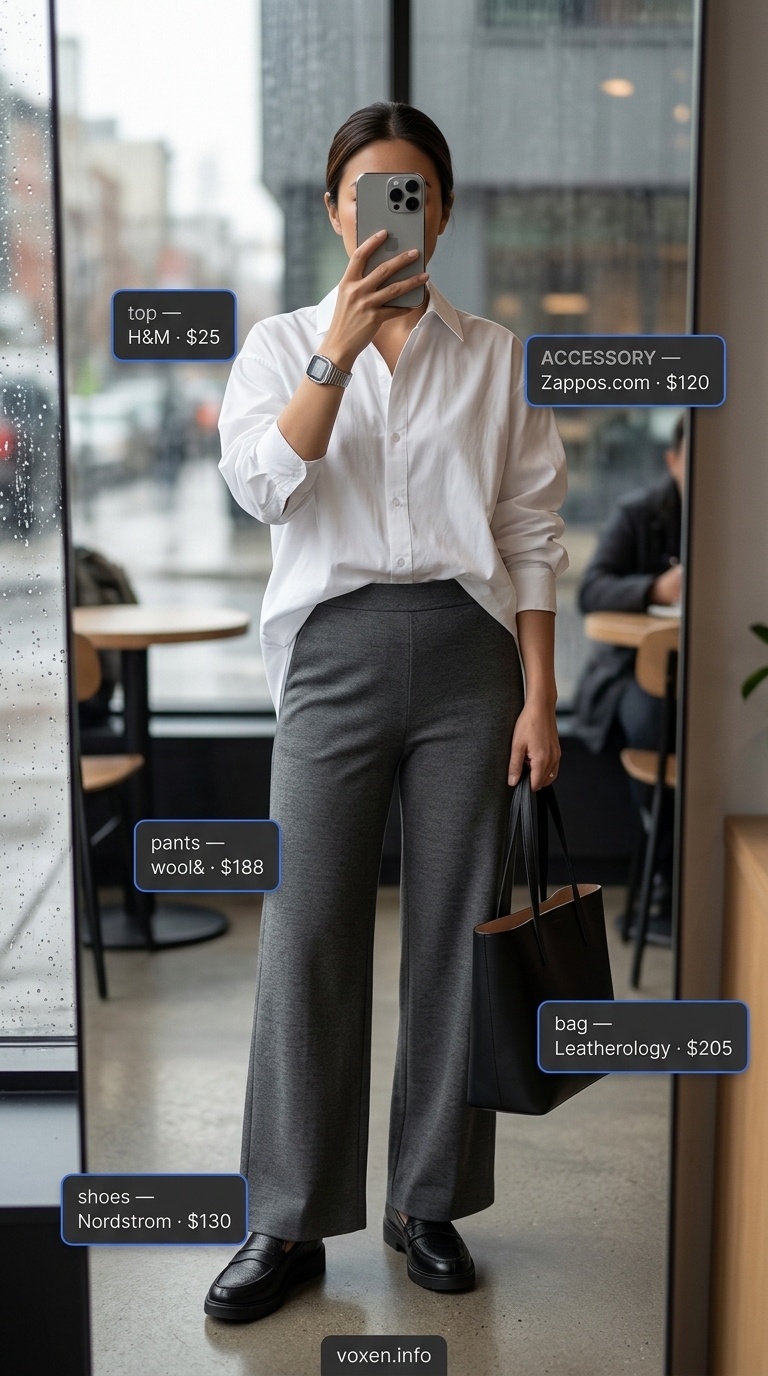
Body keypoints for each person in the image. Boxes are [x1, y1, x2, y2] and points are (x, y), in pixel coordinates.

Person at [206, 102, 567, 1323]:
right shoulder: (279, 343)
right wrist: (338, 353)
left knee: (457, 934)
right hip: (335, 650)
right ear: (332, 210)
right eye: (365, 193)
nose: (386, 213)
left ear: (444, 210)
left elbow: (528, 532)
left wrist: (540, 695)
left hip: (472, 658)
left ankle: (430, 1202)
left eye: (409, 192)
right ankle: (288, 1218)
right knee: (306, 930)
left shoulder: (497, 353)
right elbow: (266, 484)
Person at [571, 417, 685, 941]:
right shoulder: (640, 513)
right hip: (630, 676)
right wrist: (654, 590)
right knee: (656, 720)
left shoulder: (737, 517)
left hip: (706, 675)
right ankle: (663, 874)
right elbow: (590, 591)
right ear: (673, 461)